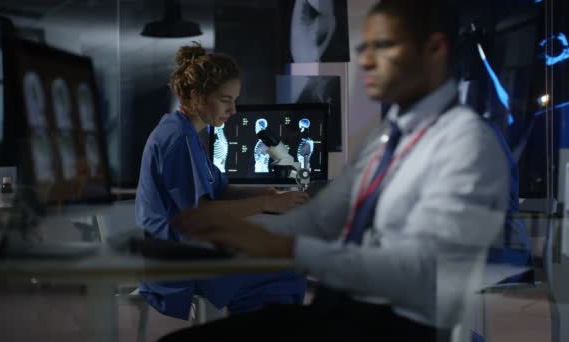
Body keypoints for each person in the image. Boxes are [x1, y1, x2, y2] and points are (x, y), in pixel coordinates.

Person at [160, 0, 510, 340]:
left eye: (384, 46)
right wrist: (244, 229)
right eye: (366, 47)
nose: (367, 61)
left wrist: (286, 247)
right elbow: (321, 218)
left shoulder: (465, 143)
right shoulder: (387, 139)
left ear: (434, 50)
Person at [135, 43, 309, 320]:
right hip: (177, 261)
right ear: (196, 96)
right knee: (282, 269)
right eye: (225, 100)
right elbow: (200, 213)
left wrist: (266, 192)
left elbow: (222, 189)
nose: (234, 110)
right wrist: (266, 202)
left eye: (234, 100)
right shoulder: (176, 139)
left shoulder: (187, 135)